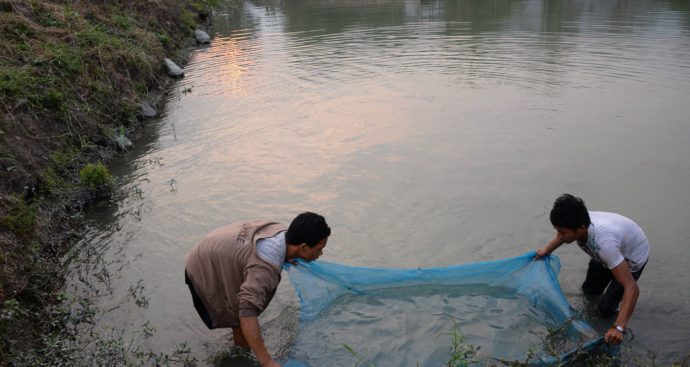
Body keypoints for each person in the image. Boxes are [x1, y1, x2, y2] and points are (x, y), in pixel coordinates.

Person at [185, 212, 331, 367]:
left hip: (214, 248)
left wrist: (286, 258)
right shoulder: (265, 266)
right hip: (202, 268)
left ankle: (243, 351)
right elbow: (247, 313)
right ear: (303, 247)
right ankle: (241, 358)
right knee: (239, 318)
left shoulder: (280, 232)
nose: (320, 254)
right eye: (320, 249)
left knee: (241, 313)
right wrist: (266, 361)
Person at [534, 194, 649, 345]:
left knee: (605, 311)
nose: (559, 236)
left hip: (630, 259)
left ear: (581, 228)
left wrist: (618, 328)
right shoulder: (578, 223)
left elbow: (631, 287)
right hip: (604, 255)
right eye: (557, 231)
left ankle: (614, 323)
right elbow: (563, 234)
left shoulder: (604, 243)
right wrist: (547, 250)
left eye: (562, 232)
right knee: (589, 291)